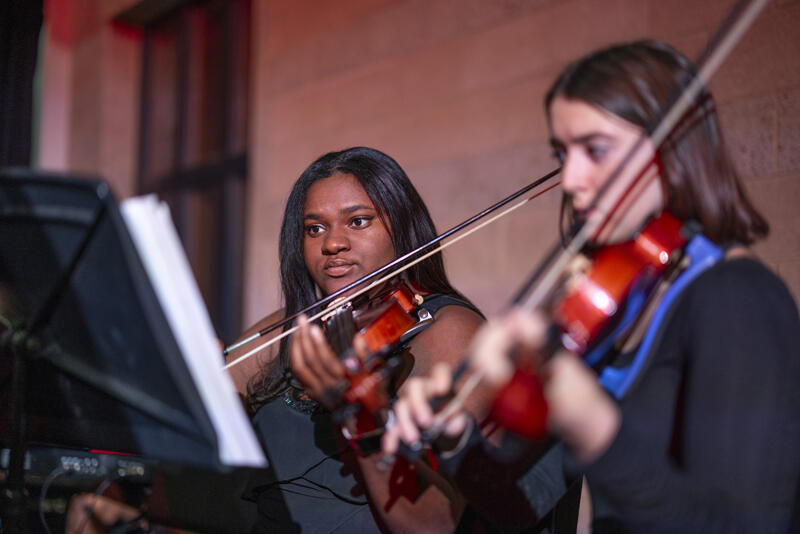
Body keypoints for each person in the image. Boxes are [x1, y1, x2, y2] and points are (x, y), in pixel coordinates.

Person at [382, 40, 800, 534]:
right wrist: (457, 439)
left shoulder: (738, 300)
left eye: (595, 149)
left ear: (671, 146)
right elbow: (520, 508)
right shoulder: (619, 304)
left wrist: (595, 428)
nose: (572, 178)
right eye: (563, 153)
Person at [225, 146, 487, 533]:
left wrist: (360, 410)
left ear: (401, 226)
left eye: (358, 222)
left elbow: (438, 521)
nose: (332, 244)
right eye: (315, 228)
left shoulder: (448, 330)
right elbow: (217, 387)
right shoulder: (298, 328)